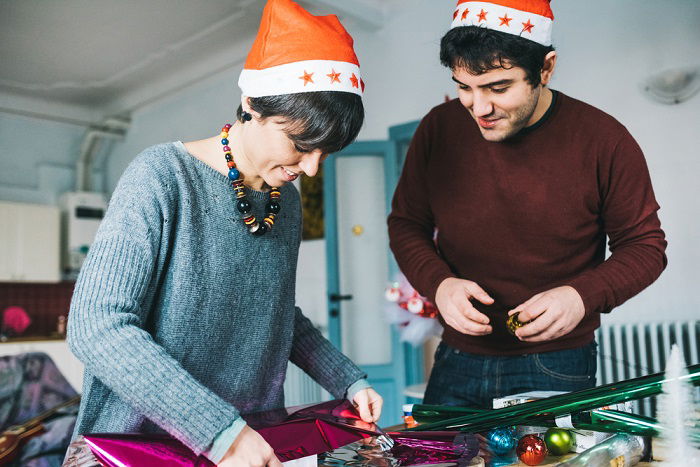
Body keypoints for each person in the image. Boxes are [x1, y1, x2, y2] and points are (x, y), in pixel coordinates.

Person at [67, 1, 382, 465]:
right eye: (300, 146)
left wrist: (349, 381)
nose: (311, 169)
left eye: (326, 153)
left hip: (248, 443)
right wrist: (220, 431)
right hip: (140, 449)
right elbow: (97, 326)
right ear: (252, 105)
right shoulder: (161, 176)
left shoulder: (285, 201)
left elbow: (276, 316)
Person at [387, 0, 667, 409]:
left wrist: (581, 296)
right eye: (465, 87)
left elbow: (646, 247)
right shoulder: (438, 127)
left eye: (499, 88)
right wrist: (439, 284)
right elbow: (406, 223)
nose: (479, 108)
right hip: (455, 355)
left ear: (546, 68)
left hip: (558, 360)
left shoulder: (605, 139)